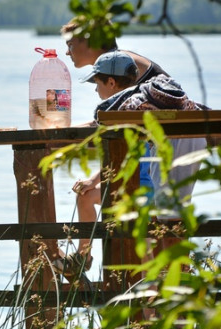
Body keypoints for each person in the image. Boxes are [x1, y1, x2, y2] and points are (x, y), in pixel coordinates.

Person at [56, 51, 208, 283]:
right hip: (173, 161)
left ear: (111, 82)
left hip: (148, 183)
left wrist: (92, 178)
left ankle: (168, 294)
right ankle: (83, 258)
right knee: (166, 224)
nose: (96, 90)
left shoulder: (126, 109)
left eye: (97, 83)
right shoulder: (144, 103)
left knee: (164, 231)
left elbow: (123, 160)